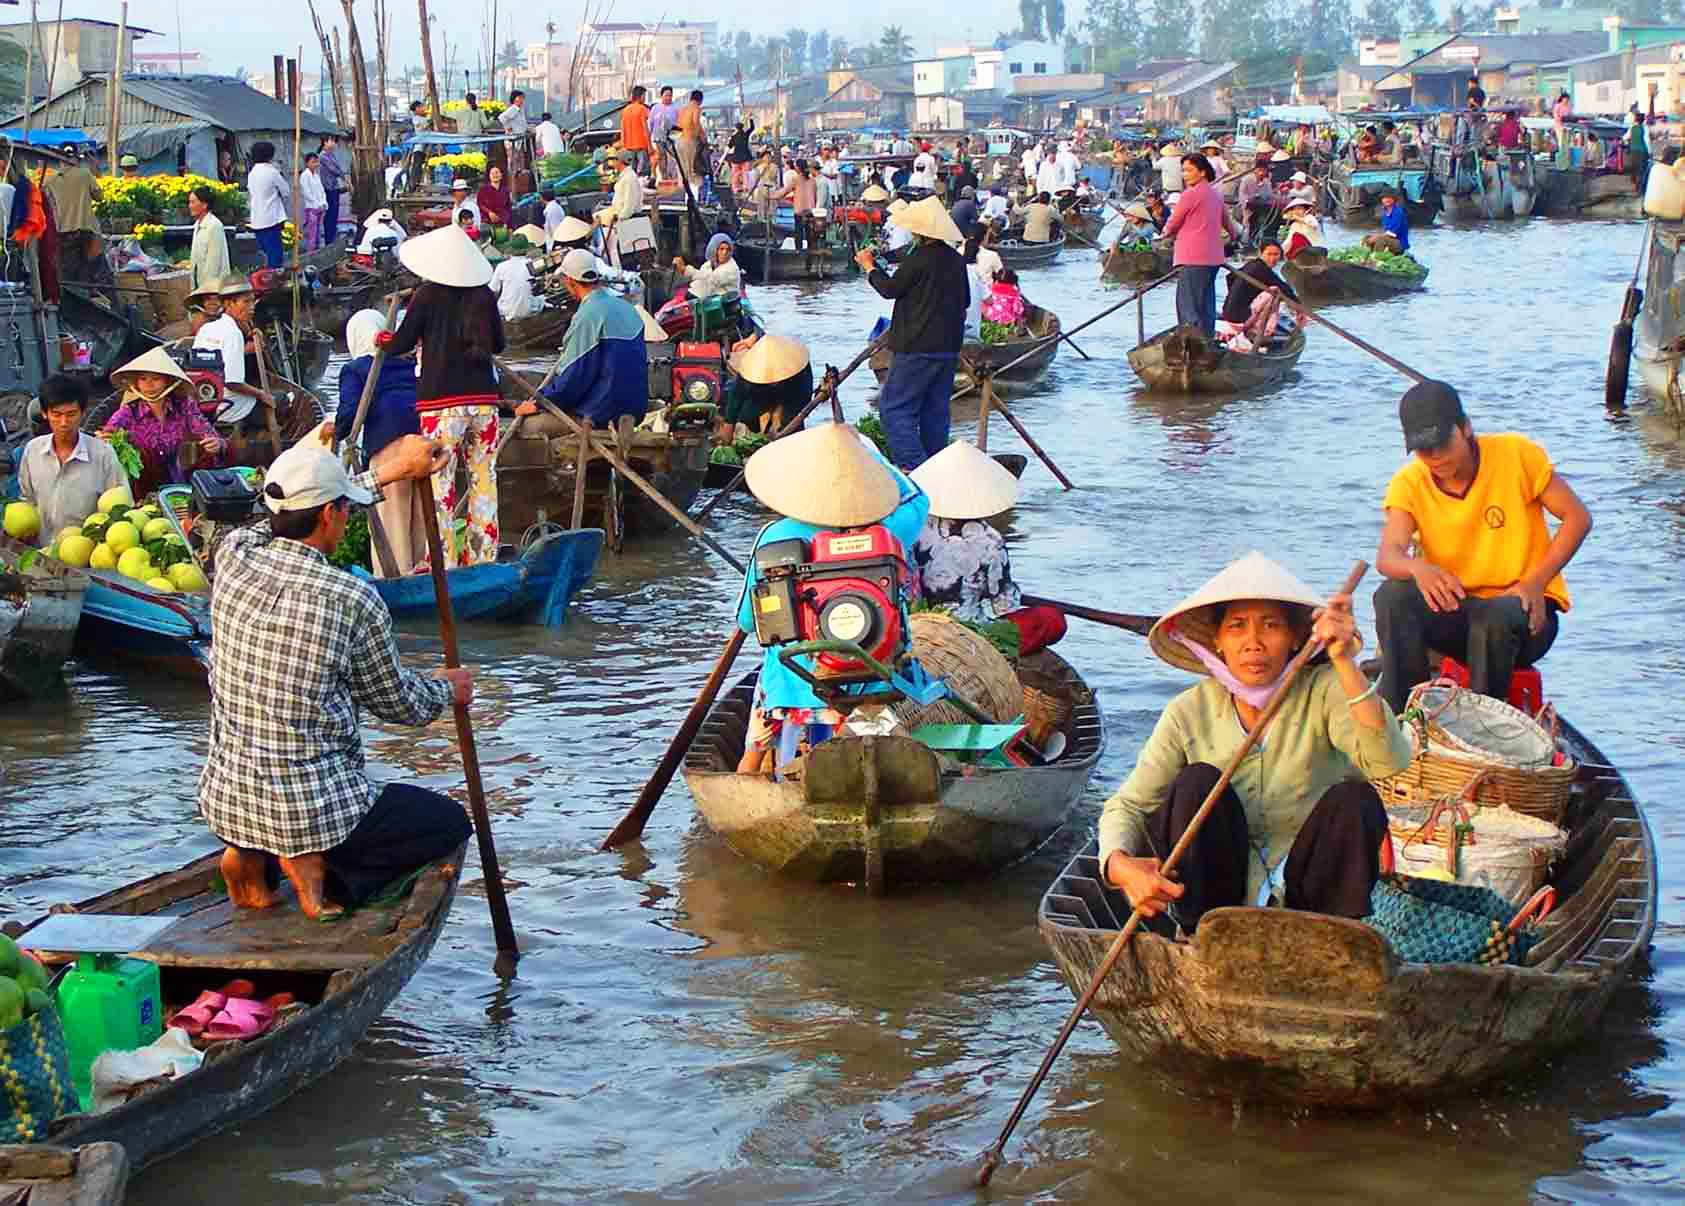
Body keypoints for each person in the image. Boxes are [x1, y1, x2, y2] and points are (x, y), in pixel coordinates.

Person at [200, 434, 474, 921]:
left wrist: (390, 472)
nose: (347, 515)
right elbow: (399, 706)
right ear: (330, 515)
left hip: (227, 799)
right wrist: (447, 689)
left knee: (279, 781)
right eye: (345, 508)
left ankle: (254, 853)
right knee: (449, 823)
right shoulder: (353, 598)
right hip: (314, 809)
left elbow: (281, 515)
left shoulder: (233, 552)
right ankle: (318, 872)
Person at [1098, 553, 1411, 934]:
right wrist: (1119, 866)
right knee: (1196, 782)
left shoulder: (1327, 689)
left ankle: (1327, 937)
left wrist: (1345, 664)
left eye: (1270, 625)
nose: (1253, 642)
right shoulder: (1189, 711)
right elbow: (1128, 805)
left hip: (1309, 895)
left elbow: (1389, 761)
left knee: (1357, 799)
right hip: (1216, 905)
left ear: (1296, 637)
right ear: (1217, 641)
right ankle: (1199, 934)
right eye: (1237, 627)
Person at [1373, 380, 1591, 715]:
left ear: (1466, 428)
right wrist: (1419, 568)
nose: (1435, 457)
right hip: (1458, 611)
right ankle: (1404, 718)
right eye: (1423, 449)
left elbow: (1577, 518)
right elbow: (1389, 556)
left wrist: (1536, 581)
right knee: (1391, 595)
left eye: (1442, 443)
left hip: (1524, 614)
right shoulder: (1410, 483)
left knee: (1494, 618)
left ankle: (1483, 726)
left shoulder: (1516, 455)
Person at [734, 424, 929, 775]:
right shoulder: (885, 532)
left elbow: (748, 622)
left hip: (791, 690)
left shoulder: (774, 536)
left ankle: (750, 771)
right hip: (867, 681)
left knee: (758, 731)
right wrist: (870, 458)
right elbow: (918, 497)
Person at [377, 225, 506, 567]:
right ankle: (483, 558)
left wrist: (384, 340)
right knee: (484, 481)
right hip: (484, 404)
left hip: (442, 405)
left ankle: (443, 561)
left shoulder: (428, 296)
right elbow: (500, 344)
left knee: (440, 485)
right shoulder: (483, 296)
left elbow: (401, 343)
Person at [856, 197, 968, 470]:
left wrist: (869, 266)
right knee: (935, 412)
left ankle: (916, 470)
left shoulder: (919, 259)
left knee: (894, 410)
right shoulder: (955, 260)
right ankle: (936, 468)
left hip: (918, 347)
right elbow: (963, 301)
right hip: (948, 348)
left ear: (920, 232)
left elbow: (890, 289)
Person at [333, 310, 426, 577]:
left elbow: (350, 412)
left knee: (392, 517)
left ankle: (395, 577)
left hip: (390, 446)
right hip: (424, 442)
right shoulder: (409, 365)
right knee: (421, 514)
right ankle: (425, 571)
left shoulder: (356, 368)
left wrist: (338, 431)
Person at [537, 248, 649, 440]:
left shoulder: (588, 314)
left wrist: (540, 402)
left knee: (531, 427)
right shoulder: (628, 308)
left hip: (601, 413)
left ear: (570, 281)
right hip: (635, 410)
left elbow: (574, 379)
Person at [908, 440, 1022, 624]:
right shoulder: (991, 540)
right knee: (1050, 619)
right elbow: (1002, 605)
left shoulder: (914, 530)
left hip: (920, 622)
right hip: (968, 629)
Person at [17, 374, 126, 545]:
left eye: (71, 414)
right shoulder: (32, 451)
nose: (63, 422)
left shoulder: (103, 454)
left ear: (83, 413)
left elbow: (120, 508)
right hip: (41, 554)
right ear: (45, 414)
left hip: (88, 558)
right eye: (56, 414)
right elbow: (27, 500)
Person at [100, 347, 225, 495]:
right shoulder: (128, 412)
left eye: (156, 379)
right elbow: (105, 438)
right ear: (136, 382)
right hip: (142, 487)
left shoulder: (183, 406)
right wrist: (106, 441)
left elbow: (209, 434)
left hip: (179, 481)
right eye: (143, 379)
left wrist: (216, 444)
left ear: (167, 381)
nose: (149, 385)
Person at [1164, 152, 1239, 337]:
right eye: (1183, 171)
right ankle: (1206, 339)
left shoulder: (1190, 194)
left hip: (1192, 257)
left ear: (1203, 172)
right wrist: (1234, 236)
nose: (1185, 174)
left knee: (1188, 304)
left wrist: (1164, 235)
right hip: (1213, 258)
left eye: (1189, 170)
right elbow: (1228, 224)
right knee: (1206, 302)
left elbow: (1173, 222)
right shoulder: (1215, 194)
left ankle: (1192, 342)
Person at [194, 277, 273, 420]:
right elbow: (232, 383)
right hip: (228, 406)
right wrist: (261, 394)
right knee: (283, 399)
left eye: (253, 301)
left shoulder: (206, 328)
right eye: (246, 302)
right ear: (228, 303)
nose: (252, 307)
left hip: (205, 401)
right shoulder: (233, 333)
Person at [721, 333, 811, 440]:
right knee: (746, 417)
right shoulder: (750, 371)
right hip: (762, 390)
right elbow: (735, 399)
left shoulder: (799, 372)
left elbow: (801, 404)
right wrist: (728, 428)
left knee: (790, 429)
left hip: (793, 389)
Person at [44, 149, 100, 270]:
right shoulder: (85, 174)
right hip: (86, 229)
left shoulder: (50, 180)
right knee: (88, 268)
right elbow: (100, 197)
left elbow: (47, 205)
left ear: (59, 159)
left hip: (63, 231)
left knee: (68, 270)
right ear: (76, 158)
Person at [246, 141, 289, 268]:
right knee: (275, 256)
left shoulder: (252, 173)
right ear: (270, 156)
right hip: (271, 219)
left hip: (257, 220)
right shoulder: (272, 172)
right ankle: (274, 282)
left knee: (264, 253)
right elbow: (286, 192)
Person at [598, 150, 645, 266]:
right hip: (619, 218)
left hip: (626, 221)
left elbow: (630, 204)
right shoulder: (624, 176)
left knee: (621, 253)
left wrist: (619, 218)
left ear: (620, 162)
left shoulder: (630, 178)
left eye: (614, 160)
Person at [674, 232, 742, 300]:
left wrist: (686, 269)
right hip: (710, 300)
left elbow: (712, 279)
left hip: (726, 303)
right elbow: (700, 280)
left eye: (728, 250)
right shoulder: (708, 264)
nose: (724, 253)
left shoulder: (732, 268)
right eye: (721, 249)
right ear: (714, 249)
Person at [187, 184, 230, 293]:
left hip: (213, 288)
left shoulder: (214, 226)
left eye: (193, 202)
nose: (190, 206)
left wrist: (207, 290)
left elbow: (214, 264)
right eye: (189, 202)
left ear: (204, 205)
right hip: (199, 285)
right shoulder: (197, 224)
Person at [488, 248, 542, 321]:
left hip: (506, 311)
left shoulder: (501, 266)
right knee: (542, 298)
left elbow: (492, 290)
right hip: (529, 310)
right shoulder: (532, 263)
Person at [318, 135, 347, 244]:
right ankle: (329, 239)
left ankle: (332, 237)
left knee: (334, 214)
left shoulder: (331, 155)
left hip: (334, 188)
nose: (334, 143)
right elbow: (335, 170)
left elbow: (338, 169)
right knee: (330, 214)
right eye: (332, 141)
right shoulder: (323, 156)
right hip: (328, 188)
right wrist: (345, 179)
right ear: (325, 142)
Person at [649, 85, 680, 184]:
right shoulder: (655, 108)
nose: (668, 97)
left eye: (670, 95)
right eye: (666, 95)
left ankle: (674, 176)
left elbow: (678, 125)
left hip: (670, 138)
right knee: (661, 157)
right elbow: (650, 123)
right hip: (658, 138)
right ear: (661, 96)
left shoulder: (675, 109)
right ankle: (664, 177)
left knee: (674, 157)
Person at [298, 152, 329, 252]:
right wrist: (316, 203)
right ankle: (310, 252)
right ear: (307, 163)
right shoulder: (304, 175)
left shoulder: (316, 175)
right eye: (313, 162)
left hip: (320, 206)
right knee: (312, 232)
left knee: (318, 231)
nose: (315, 164)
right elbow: (306, 192)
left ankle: (318, 250)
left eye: (316, 162)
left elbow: (321, 190)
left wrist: (323, 202)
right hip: (311, 207)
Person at [1237, 162, 1273, 242]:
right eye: (1260, 170)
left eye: (1264, 171)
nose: (1262, 173)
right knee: (1247, 224)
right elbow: (1241, 194)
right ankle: (1245, 242)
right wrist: (1247, 201)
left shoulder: (1266, 182)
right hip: (1248, 206)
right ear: (1255, 170)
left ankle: (1257, 241)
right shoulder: (1246, 179)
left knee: (1261, 222)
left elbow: (1269, 195)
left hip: (1261, 207)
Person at [621, 85, 653, 178]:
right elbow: (645, 129)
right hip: (641, 145)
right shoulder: (642, 109)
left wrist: (623, 144)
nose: (645, 98)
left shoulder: (625, 110)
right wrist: (649, 146)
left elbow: (623, 129)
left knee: (631, 173)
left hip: (628, 146)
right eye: (644, 96)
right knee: (643, 173)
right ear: (641, 96)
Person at [675, 89, 706, 185]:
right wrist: (700, 137)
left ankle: (682, 188)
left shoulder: (683, 109)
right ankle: (692, 190)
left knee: (681, 167)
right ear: (700, 100)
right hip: (689, 140)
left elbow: (677, 126)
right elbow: (696, 122)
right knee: (691, 168)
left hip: (679, 141)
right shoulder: (696, 108)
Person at [499, 90, 530, 180]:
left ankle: (519, 179)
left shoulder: (521, 110)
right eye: (519, 98)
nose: (522, 100)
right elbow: (502, 117)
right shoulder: (513, 108)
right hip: (512, 139)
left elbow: (522, 124)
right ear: (514, 99)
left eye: (522, 98)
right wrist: (508, 127)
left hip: (520, 139)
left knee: (519, 159)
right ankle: (511, 179)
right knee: (513, 160)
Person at [728, 117, 756, 194]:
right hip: (745, 156)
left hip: (736, 157)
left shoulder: (734, 137)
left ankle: (735, 188)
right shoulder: (745, 134)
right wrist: (750, 119)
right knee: (745, 173)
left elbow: (730, 146)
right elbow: (752, 128)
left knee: (735, 173)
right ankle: (746, 187)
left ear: (736, 128)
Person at [1627, 108, 1650, 193]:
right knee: (1641, 170)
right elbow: (1647, 141)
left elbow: (1625, 138)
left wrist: (1630, 143)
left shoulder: (1632, 128)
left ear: (1636, 119)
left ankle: (1635, 184)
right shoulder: (1645, 128)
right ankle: (1639, 187)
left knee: (1634, 168)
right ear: (1643, 120)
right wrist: (1650, 152)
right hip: (1642, 151)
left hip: (1633, 151)